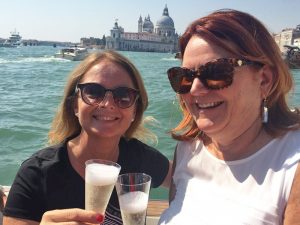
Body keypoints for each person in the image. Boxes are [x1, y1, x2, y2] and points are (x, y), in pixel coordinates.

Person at [158, 9, 300, 225]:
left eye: (216, 72)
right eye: (184, 77)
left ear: (264, 80)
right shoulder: (187, 149)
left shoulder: (292, 166)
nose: (195, 89)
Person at [3, 50, 171, 225]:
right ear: (75, 105)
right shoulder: (36, 174)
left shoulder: (141, 158)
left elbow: (187, 180)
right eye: (94, 91)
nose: (107, 104)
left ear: (134, 111)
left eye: (123, 95)